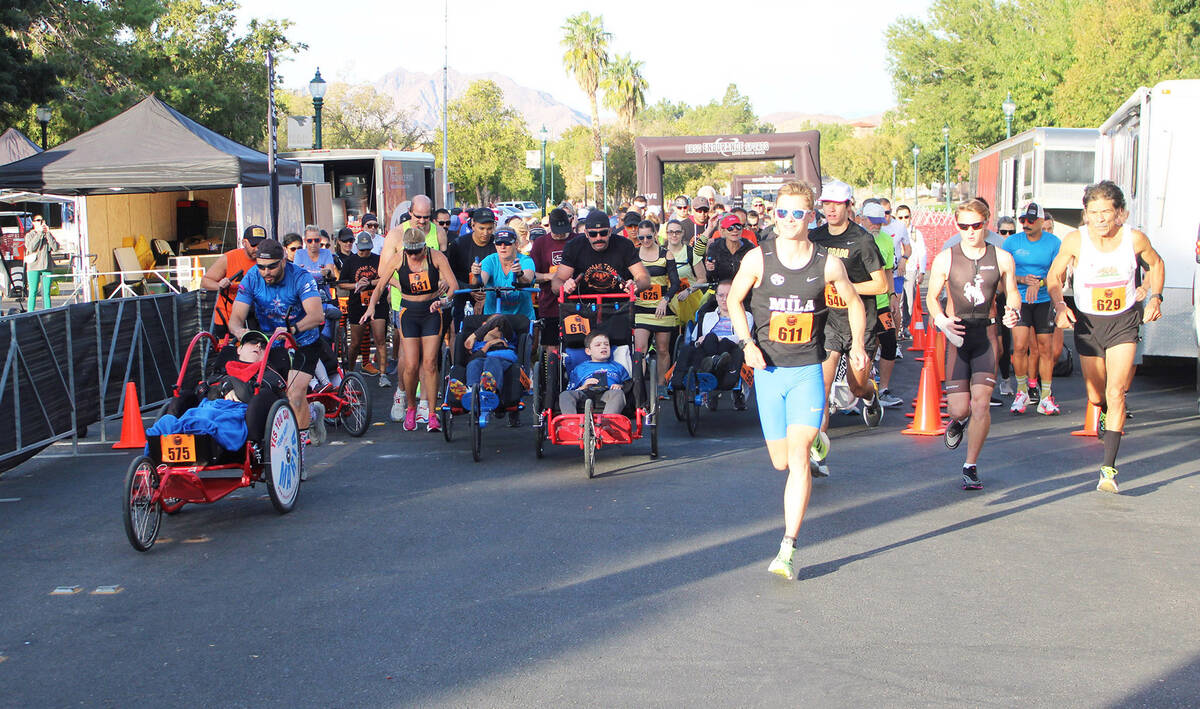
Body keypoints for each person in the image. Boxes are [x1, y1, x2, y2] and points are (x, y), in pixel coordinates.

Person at [727, 180, 867, 581]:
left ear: (811, 216)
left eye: (797, 213)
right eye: (782, 212)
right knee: (780, 460)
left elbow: (854, 301)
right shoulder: (757, 259)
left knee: (798, 457)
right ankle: (819, 440)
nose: (789, 220)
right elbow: (734, 301)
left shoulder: (827, 263)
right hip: (769, 371)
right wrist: (746, 342)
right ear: (775, 215)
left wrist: (857, 342)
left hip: (808, 368)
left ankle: (787, 547)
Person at [1046, 181, 1164, 494]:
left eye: (1106, 212)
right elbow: (1054, 277)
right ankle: (1103, 413)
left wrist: (1155, 296)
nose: (1100, 219)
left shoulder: (1134, 239)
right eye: (1094, 212)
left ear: (1119, 214)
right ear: (1085, 214)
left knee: (1116, 391)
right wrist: (1060, 305)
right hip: (1088, 323)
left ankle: (1108, 470)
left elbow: (1156, 263)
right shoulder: (1075, 240)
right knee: (1096, 395)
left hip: (1124, 321)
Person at [925, 199, 1021, 490]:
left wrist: (1013, 311)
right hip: (957, 335)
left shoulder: (1002, 257)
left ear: (986, 223)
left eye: (976, 226)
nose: (970, 231)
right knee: (959, 409)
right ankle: (957, 421)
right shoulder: (946, 258)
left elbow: (1013, 292)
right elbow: (931, 297)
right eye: (963, 226)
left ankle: (970, 465)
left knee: (981, 405)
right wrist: (942, 322)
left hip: (987, 336)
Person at [808, 180, 889, 474]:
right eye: (826, 204)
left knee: (856, 386)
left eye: (836, 204)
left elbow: (881, 283)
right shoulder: (814, 237)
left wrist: (847, 287)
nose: (830, 209)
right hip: (827, 322)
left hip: (859, 322)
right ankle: (818, 456)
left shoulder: (862, 239)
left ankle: (871, 396)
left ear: (848, 206)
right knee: (822, 390)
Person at [227, 239, 329, 447]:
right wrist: (241, 333)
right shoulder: (252, 277)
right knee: (269, 394)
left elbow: (317, 316)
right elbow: (235, 320)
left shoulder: (300, 277)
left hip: (303, 341)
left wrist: (292, 329)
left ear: (283, 260)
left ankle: (299, 457)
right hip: (270, 343)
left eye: (272, 266)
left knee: (295, 394)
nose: (267, 272)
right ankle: (312, 414)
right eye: (261, 267)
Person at [363, 227, 458, 432]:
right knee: (411, 364)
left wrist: (443, 301)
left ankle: (432, 413)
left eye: (417, 252)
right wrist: (371, 306)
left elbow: (454, 285)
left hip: (431, 311)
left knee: (431, 363)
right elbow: (380, 285)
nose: (413, 256)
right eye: (410, 252)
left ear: (425, 247)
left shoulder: (436, 257)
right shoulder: (399, 258)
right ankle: (411, 408)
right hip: (409, 313)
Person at [1004, 202, 1062, 414]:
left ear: (1041, 222)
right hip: (1018, 299)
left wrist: (1040, 283)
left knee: (1045, 347)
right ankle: (1021, 392)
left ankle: (1046, 395)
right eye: (1022, 221)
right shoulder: (1011, 242)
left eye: (1030, 221)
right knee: (1019, 346)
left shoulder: (1054, 242)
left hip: (1044, 299)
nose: (1025, 224)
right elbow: (1004, 274)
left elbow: (1059, 275)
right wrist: (1022, 279)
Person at [671, 280, 752, 409]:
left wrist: (717, 338)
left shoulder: (745, 316)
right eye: (721, 295)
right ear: (716, 297)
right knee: (688, 348)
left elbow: (742, 337)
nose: (725, 299)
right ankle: (683, 376)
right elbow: (694, 339)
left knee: (717, 339)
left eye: (729, 295)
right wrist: (699, 341)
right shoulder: (706, 316)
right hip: (706, 350)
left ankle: (712, 364)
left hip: (729, 349)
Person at [860, 202, 904, 408]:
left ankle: (883, 389)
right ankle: (859, 388)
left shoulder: (886, 240)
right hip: (860, 304)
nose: (876, 226)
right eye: (873, 222)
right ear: (862, 218)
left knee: (889, 343)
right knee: (863, 347)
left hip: (882, 303)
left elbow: (888, 270)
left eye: (880, 222)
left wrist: (893, 295)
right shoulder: (855, 239)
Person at [552, 210, 651, 296]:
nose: (598, 238)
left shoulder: (625, 245)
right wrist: (564, 286)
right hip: (583, 307)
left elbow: (644, 277)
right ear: (586, 233)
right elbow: (558, 280)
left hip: (619, 308)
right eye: (593, 234)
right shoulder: (574, 246)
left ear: (610, 232)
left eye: (603, 233)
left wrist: (636, 285)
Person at [632, 220, 680, 390]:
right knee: (640, 349)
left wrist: (665, 299)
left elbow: (675, 283)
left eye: (649, 236)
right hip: (640, 308)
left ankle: (661, 386)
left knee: (662, 348)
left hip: (661, 308)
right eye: (642, 237)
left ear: (655, 235)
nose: (645, 240)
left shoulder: (666, 254)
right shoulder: (634, 255)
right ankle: (639, 389)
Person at [337, 232, 389, 385]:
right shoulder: (350, 261)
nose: (365, 253)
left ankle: (383, 374)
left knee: (380, 338)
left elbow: (385, 278)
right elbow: (341, 283)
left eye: (368, 250)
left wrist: (370, 283)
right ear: (357, 247)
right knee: (355, 342)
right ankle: (351, 372)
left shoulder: (377, 259)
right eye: (362, 250)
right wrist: (356, 285)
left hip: (377, 302)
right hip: (357, 304)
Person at [201, 224, 266, 341]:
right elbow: (205, 281)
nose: (257, 248)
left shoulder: (267, 259)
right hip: (227, 316)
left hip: (256, 317)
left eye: (261, 245)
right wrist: (218, 285)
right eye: (254, 244)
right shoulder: (229, 258)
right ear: (244, 242)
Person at [457, 313, 521, 427]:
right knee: (474, 363)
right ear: (484, 326)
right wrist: (489, 344)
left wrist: (475, 335)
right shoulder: (477, 344)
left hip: (502, 359)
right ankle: (471, 391)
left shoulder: (507, 338)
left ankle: (490, 390)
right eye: (493, 325)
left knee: (491, 361)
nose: (498, 328)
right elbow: (471, 360)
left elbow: (501, 320)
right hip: (480, 359)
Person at [531, 208, 576, 353]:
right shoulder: (540, 243)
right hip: (550, 304)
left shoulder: (577, 240)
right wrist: (549, 276)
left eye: (563, 230)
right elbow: (530, 275)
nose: (560, 234)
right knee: (552, 347)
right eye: (556, 231)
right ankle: (552, 374)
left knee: (576, 344)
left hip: (575, 303)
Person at [446, 207, 497, 329]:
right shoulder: (458, 245)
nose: (486, 233)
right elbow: (449, 275)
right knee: (461, 333)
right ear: (473, 225)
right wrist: (470, 289)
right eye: (482, 228)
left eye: (489, 229)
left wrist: (488, 293)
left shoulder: (498, 245)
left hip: (492, 299)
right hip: (463, 298)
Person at [558, 331, 630, 415]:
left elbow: (628, 384)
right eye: (598, 345)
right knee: (565, 395)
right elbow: (571, 389)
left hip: (609, 392)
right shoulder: (580, 368)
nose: (603, 347)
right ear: (588, 351)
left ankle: (608, 422)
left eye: (606, 344)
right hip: (585, 393)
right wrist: (584, 386)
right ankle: (570, 423)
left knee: (618, 394)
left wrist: (620, 386)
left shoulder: (617, 366)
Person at [474, 227, 535, 318]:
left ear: (516, 244)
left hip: (522, 320)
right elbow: (481, 283)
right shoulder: (489, 260)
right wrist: (476, 274)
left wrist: (519, 274)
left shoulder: (526, 261)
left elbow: (527, 281)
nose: (502, 247)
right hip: (493, 320)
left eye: (507, 243)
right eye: (498, 243)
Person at [894, 204, 926, 338]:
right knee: (897, 301)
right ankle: (898, 328)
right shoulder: (893, 230)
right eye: (900, 217)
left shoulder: (915, 233)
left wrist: (922, 271)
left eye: (906, 216)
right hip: (896, 270)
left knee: (909, 301)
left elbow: (922, 251)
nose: (904, 219)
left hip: (911, 269)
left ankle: (906, 325)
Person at [698, 213, 754, 285]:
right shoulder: (715, 247)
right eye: (730, 228)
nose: (735, 230)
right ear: (723, 231)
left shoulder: (749, 247)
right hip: (721, 290)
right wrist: (710, 270)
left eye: (738, 226)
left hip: (744, 289)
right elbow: (710, 278)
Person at [22, 214, 59, 311]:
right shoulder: (30, 235)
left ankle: (48, 312)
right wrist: (39, 234)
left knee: (46, 292)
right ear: (33, 222)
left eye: (42, 220)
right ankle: (30, 313)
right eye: (38, 220)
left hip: (46, 265)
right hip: (34, 265)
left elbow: (55, 247)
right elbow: (31, 247)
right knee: (33, 291)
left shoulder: (47, 234)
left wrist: (48, 233)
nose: (40, 222)